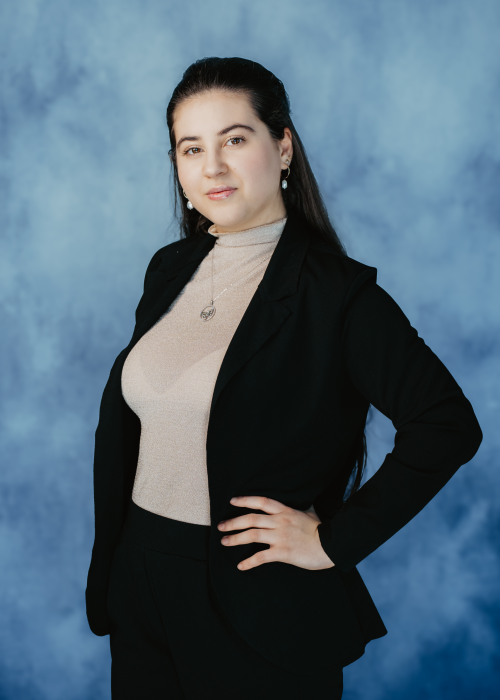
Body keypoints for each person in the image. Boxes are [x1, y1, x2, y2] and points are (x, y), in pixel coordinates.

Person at [85, 57, 483, 699]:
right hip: (141, 584)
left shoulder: (340, 296)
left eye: (235, 139)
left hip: (255, 603)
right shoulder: (169, 269)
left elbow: (447, 425)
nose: (213, 167)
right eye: (192, 148)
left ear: (283, 147)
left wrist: (334, 541)